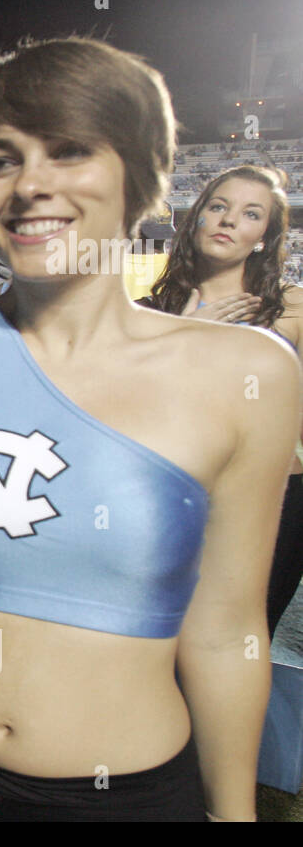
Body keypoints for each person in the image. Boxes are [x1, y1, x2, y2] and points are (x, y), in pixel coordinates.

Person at [0, 37, 297, 822]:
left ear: (141, 176)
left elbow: (224, 631)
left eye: (70, 150)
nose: (29, 185)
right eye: (2, 160)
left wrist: (233, 820)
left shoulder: (250, 374)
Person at [140, 166, 302, 638]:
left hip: (273, 501)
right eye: (218, 206)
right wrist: (190, 334)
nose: (229, 220)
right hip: (177, 495)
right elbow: (136, 417)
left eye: (251, 214)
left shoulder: (292, 308)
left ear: (264, 237)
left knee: (239, 644)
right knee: (165, 643)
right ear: (197, 219)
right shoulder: (152, 313)